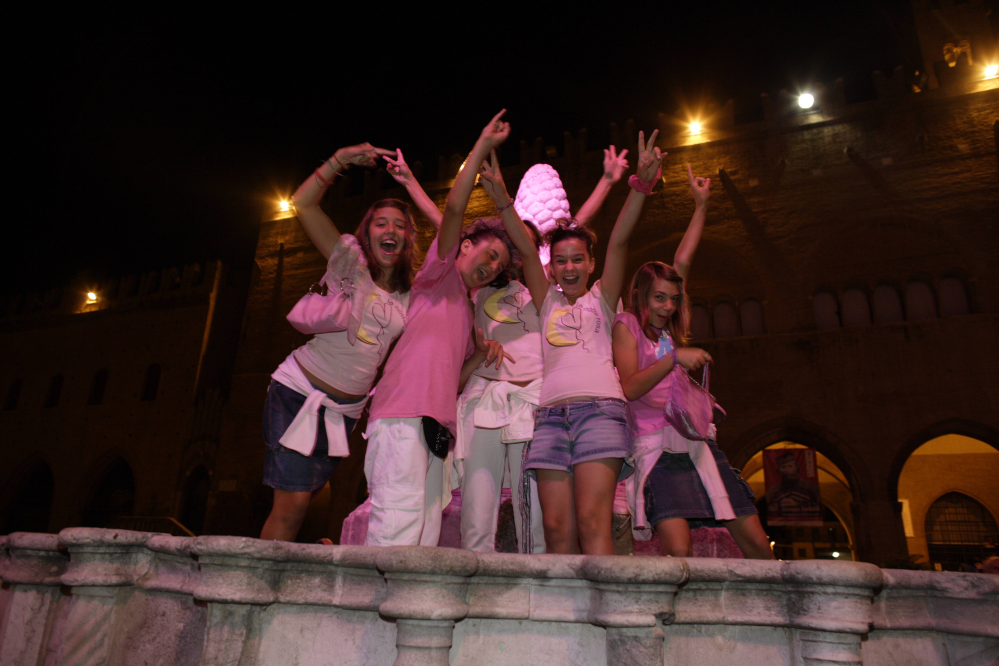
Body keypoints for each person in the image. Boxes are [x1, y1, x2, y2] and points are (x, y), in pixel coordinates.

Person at [383, 144, 630, 553]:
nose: (520, 252)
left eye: (529, 246)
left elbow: (576, 233)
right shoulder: (478, 289)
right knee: (476, 517)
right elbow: (450, 227)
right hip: (485, 399)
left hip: (533, 401)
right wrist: (410, 182)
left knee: (534, 516)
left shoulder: (548, 291)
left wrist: (607, 181)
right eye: (515, 245)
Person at [362, 111, 519, 547]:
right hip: (402, 415)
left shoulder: (467, 309)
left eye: (500, 267)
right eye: (489, 256)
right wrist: (482, 145)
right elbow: (451, 209)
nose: (492, 268)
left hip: (438, 425)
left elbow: (455, 380)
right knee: (396, 528)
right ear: (464, 247)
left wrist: (477, 352)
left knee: (426, 533)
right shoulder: (439, 274)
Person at [505, 130, 664, 555]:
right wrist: (501, 200)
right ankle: (566, 621)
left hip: (600, 413)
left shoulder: (602, 299)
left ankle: (610, 616)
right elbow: (522, 244)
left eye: (578, 259)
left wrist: (640, 185)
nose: (569, 267)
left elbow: (620, 241)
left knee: (594, 525)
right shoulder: (544, 302)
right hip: (550, 419)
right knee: (557, 532)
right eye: (560, 261)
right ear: (551, 269)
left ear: (591, 265)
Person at [612, 166, 774, 559]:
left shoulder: (669, 334)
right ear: (641, 296)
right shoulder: (627, 325)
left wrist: (701, 206)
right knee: (678, 551)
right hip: (657, 454)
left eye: (673, 299)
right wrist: (672, 360)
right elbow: (629, 387)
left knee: (754, 538)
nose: (668, 306)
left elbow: (683, 259)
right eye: (659, 298)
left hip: (697, 445)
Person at [259, 142, 415, 542]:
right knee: (291, 505)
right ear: (368, 231)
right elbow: (304, 204)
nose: (390, 231)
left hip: (344, 411)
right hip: (298, 392)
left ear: (408, 239)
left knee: (309, 500)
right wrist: (341, 160)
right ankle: (255, 589)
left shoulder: (408, 297)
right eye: (382, 223)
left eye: (400, 225)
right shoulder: (349, 260)